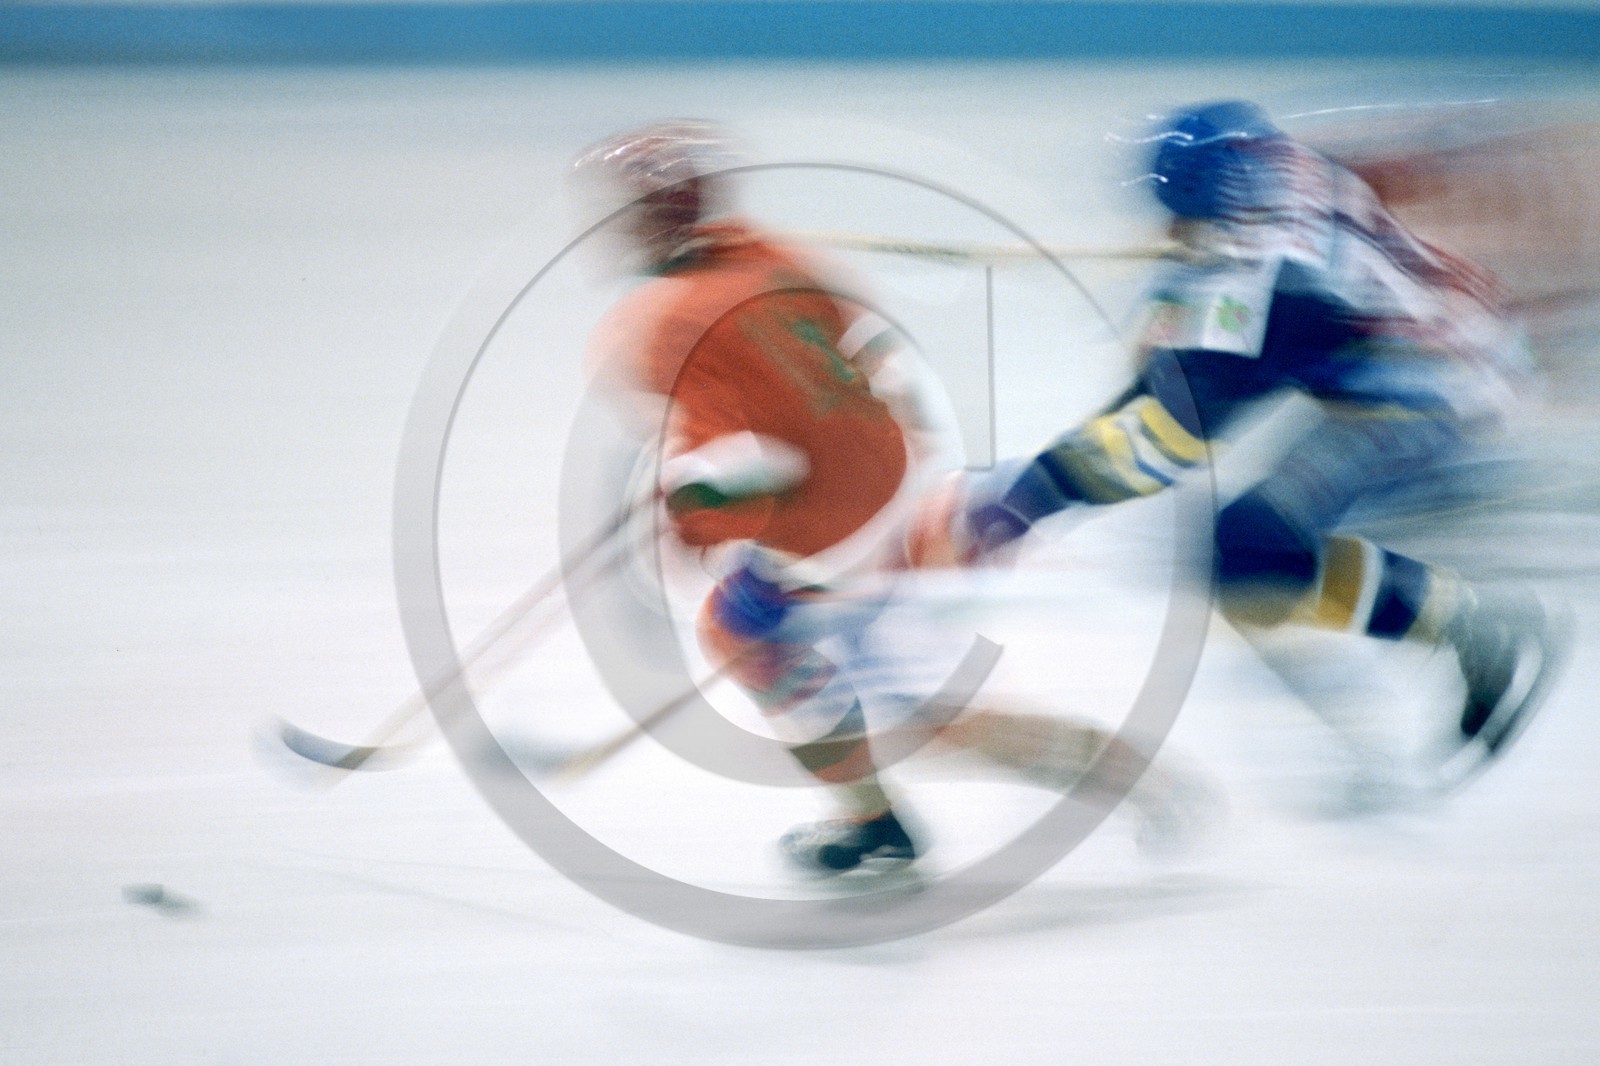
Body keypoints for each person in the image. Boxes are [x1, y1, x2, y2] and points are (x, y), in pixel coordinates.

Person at [572, 120, 1209, 875]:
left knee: (839, 681)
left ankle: (926, 811)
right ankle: (897, 814)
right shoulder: (775, 255)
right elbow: (873, 354)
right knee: (813, 664)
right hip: (897, 487)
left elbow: (747, 465)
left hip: (840, 541)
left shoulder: (661, 327)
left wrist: (687, 502)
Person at [907, 100, 1568, 796]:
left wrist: (1022, 503)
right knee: (1248, 557)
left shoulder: (1275, 288)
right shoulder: (1273, 180)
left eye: (1178, 218)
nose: (1167, 230)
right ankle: (1468, 630)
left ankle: (1471, 630)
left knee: (1252, 546)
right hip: (1442, 348)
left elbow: (1167, 437)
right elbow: (1193, 355)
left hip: (1438, 384)